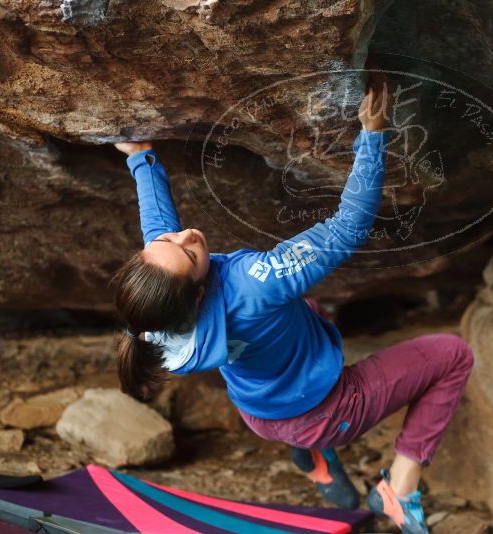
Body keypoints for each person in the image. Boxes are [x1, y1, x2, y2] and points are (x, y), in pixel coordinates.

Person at [109, 72, 474, 534]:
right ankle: (398, 490)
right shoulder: (254, 283)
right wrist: (374, 134)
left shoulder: (159, 310)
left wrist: (142, 159)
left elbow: (157, 236)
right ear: (197, 292)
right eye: (188, 251)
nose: (187, 235)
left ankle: (313, 455)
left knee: (307, 313)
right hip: (328, 409)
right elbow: (346, 230)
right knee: (453, 355)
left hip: (261, 411)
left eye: (173, 240)